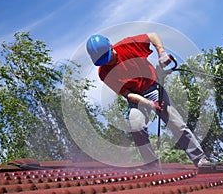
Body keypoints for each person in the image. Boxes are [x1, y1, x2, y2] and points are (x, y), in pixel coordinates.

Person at [86, 32, 215, 168]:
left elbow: (152, 36)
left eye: (108, 57)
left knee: (176, 123)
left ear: (111, 47)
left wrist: (162, 53)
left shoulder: (128, 45)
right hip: (136, 98)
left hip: (153, 88)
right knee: (136, 126)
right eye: (103, 61)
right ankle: (152, 165)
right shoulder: (104, 73)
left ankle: (200, 159)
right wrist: (149, 104)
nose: (108, 62)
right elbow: (127, 94)